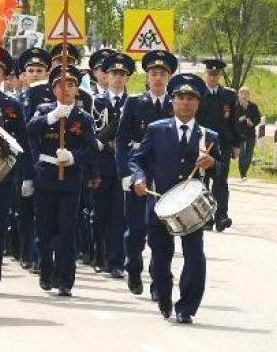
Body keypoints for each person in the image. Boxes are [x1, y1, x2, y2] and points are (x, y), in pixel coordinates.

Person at [129, 73, 224, 324]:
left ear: (198, 103)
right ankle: (163, 297)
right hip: (160, 205)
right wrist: (138, 179)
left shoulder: (208, 136)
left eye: (191, 98)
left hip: (192, 208)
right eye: (180, 97)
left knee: (195, 257)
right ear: (172, 102)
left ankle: (187, 307)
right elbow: (137, 160)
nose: (185, 102)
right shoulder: (156, 130)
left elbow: (221, 170)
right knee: (160, 258)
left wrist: (213, 162)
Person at [26, 64, 99, 297]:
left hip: (70, 179)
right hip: (46, 176)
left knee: (66, 231)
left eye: (71, 85)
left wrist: (74, 157)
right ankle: (46, 272)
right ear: (53, 89)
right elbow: (29, 131)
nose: (65, 89)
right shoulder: (43, 110)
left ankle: (65, 279)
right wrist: (51, 117)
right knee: (45, 229)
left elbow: (92, 150)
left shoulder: (83, 118)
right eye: (60, 85)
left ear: (77, 89)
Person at [115, 49, 177, 299]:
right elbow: (121, 140)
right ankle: (133, 268)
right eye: (153, 73)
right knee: (136, 230)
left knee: (161, 233)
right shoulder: (135, 103)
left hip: (165, 176)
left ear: (169, 76)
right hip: (139, 172)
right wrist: (124, 173)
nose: (158, 78)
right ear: (147, 77)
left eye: (162, 73)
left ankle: (157, 282)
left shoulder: (176, 105)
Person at [0, 48, 32, 295]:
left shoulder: (12, 105)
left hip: (2, 174)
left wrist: (29, 175)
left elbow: (23, 142)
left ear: (4, 76)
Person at [90, 52, 134, 278]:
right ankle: (99, 255)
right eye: (113, 74)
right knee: (99, 215)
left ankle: (116, 261)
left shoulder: (133, 103)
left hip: (123, 167)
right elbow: (94, 135)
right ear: (106, 76)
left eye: (122, 74)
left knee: (119, 215)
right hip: (102, 165)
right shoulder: (96, 103)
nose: (117, 78)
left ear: (127, 78)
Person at [196, 59, 239, 232]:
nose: (213, 77)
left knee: (221, 181)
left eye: (216, 74)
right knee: (203, 181)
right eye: (210, 74)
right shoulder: (197, 93)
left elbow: (234, 121)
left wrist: (237, 144)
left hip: (223, 145)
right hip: (202, 144)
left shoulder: (228, 95)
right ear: (206, 74)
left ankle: (221, 216)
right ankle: (206, 218)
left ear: (220, 75)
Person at [236, 87, 261, 181]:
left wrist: (252, 123)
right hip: (239, 133)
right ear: (239, 95)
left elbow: (258, 118)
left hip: (250, 133)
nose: (244, 96)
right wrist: (239, 120)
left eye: (246, 94)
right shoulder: (236, 106)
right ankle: (242, 174)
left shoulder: (254, 106)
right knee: (242, 153)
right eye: (242, 94)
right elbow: (232, 120)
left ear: (249, 96)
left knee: (249, 154)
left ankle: (244, 172)